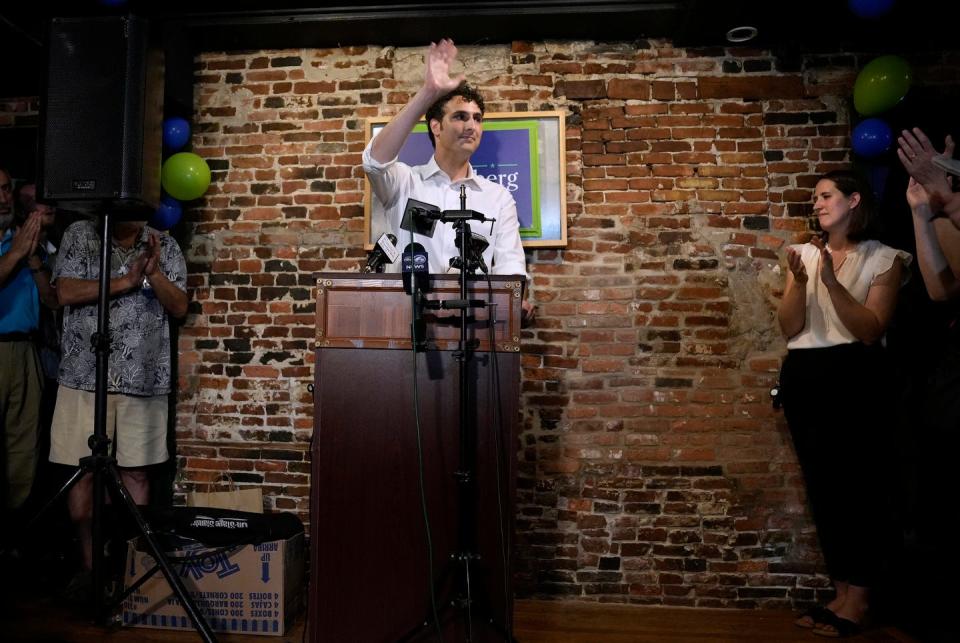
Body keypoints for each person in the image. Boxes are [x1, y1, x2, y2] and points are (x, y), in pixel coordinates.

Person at [777, 170, 911, 638]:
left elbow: (870, 329)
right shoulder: (804, 254)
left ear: (854, 200)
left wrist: (832, 283)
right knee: (824, 488)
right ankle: (840, 593)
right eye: (814, 197)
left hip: (856, 375)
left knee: (861, 488)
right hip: (805, 374)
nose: (817, 203)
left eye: (826, 195)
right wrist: (799, 280)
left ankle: (861, 598)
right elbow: (789, 328)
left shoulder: (885, 258)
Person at [48, 217, 187, 588]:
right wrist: (127, 280)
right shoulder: (80, 234)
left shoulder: (164, 244)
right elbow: (64, 291)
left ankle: (127, 571)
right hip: (82, 377)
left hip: (143, 380)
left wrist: (153, 274)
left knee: (137, 474)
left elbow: (179, 306)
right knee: (82, 474)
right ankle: (92, 568)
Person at [363, 39, 533, 321]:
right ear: (436, 126)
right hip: (408, 328)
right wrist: (428, 93)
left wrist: (516, 303)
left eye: (478, 119)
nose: (472, 126)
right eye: (460, 117)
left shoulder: (497, 197)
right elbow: (373, 162)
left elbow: (510, 268)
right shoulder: (407, 182)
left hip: (475, 330)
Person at [0, 168, 58, 515]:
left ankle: (9, 534)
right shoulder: (17, 245)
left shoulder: (25, 238)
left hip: (25, 350)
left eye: (6, 189)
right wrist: (17, 253)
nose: (2, 198)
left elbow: (51, 299)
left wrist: (33, 256)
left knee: (24, 449)